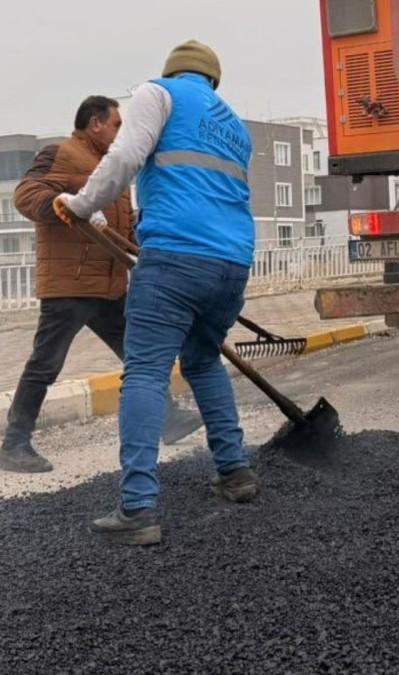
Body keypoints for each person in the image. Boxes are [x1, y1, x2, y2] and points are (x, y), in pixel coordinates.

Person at [54, 40, 259, 545]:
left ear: (173, 72)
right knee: (205, 360)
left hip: (175, 255)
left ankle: (138, 509)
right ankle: (236, 473)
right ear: (213, 82)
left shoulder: (158, 93)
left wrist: (81, 206)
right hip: (232, 263)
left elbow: (124, 158)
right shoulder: (234, 126)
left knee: (145, 369)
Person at [1, 96, 202, 474]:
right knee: (46, 364)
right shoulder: (59, 153)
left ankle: (168, 418)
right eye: (116, 124)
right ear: (95, 123)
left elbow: (121, 228)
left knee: (138, 354)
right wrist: (66, 202)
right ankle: (14, 444)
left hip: (109, 285)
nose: (121, 131)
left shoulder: (112, 167)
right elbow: (26, 195)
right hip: (70, 286)